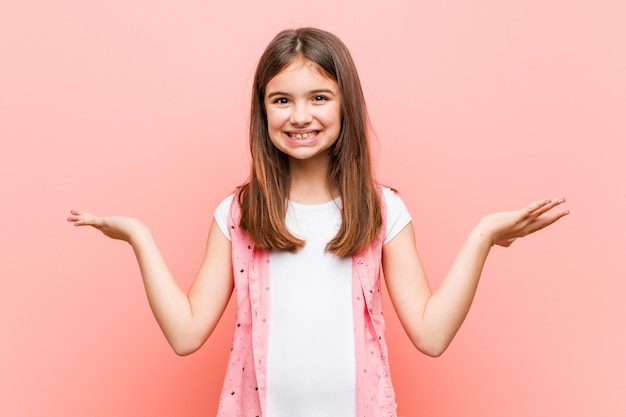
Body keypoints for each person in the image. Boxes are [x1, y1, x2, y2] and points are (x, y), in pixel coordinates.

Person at [67, 27, 569, 417]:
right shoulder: (237, 214)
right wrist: (139, 237)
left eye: (319, 97)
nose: (299, 115)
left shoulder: (382, 211)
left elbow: (431, 336)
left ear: (345, 103)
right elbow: (185, 335)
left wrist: (482, 237)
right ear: (262, 110)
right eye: (281, 99)